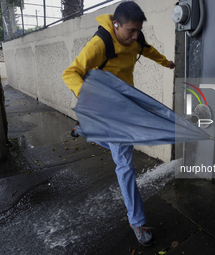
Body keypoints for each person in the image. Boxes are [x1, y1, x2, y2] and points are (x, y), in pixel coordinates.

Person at [62, 1, 175, 246]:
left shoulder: (136, 38)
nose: (134, 37)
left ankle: (85, 129)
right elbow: (70, 73)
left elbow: (147, 49)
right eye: (130, 32)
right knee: (125, 164)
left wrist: (165, 62)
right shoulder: (100, 43)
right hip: (106, 107)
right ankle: (137, 220)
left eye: (137, 32)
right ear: (116, 25)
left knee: (121, 147)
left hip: (124, 104)